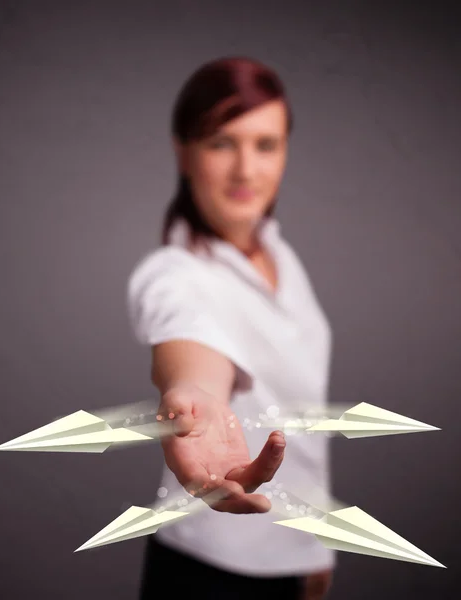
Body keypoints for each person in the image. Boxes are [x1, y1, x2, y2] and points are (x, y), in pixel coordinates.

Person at [127, 56, 335, 600]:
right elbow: (192, 348)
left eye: (265, 144)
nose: (246, 169)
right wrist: (194, 397)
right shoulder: (172, 274)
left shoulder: (279, 254)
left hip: (290, 561)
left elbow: (300, 421)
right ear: (184, 151)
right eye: (222, 142)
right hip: (209, 571)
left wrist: (315, 549)